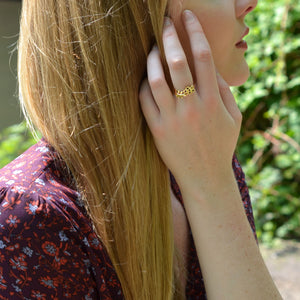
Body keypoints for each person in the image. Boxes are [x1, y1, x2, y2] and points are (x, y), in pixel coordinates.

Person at [0, 0, 282, 299]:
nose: (249, 4)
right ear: (130, 17)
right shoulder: (27, 217)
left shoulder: (203, 154)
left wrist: (212, 185)